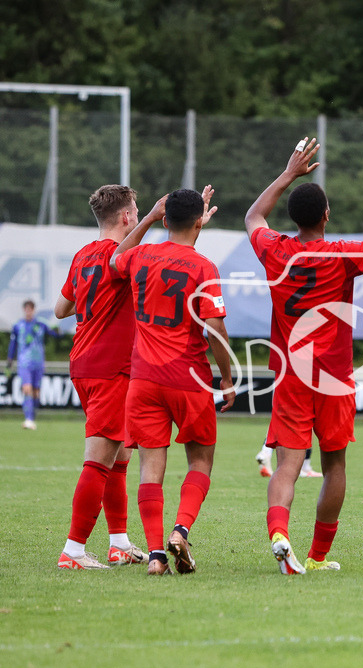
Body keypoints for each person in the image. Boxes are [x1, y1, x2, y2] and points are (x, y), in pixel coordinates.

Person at [244, 138, 363, 574]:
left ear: (293, 217)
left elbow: (252, 216)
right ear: (327, 215)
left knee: (288, 463)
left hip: (290, 374)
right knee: (334, 463)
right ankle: (318, 557)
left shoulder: (274, 250)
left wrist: (289, 173)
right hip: (333, 377)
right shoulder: (342, 255)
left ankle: (279, 533)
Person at [111, 186, 236, 576]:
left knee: (151, 466)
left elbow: (115, 258)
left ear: (165, 220)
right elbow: (214, 327)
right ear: (199, 222)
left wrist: (147, 218)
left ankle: (155, 555)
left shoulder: (141, 255)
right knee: (201, 460)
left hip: (144, 379)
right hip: (189, 378)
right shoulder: (204, 267)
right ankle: (181, 530)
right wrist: (228, 378)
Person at [52, 185, 157, 570]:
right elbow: (121, 261)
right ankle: (74, 551)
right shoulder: (120, 256)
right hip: (110, 368)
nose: (139, 213)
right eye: (137, 210)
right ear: (127, 216)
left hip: (84, 363)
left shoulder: (83, 255)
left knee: (120, 455)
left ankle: (118, 543)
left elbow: (61, 308)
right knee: (98, 460)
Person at [6, 300, 61, 430]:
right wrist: (9, 360)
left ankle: (32, 417)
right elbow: (13, 345)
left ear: (33, 310)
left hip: (38, 362)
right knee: (27, 389)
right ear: (24, 310)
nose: (28, 311)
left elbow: (55, 334)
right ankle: (28, 419)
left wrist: (58, 331)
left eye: (30, 309)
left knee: (36, 393)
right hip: (24, 363)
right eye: (26, 309)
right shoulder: (18, 326)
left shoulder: (40, 324)